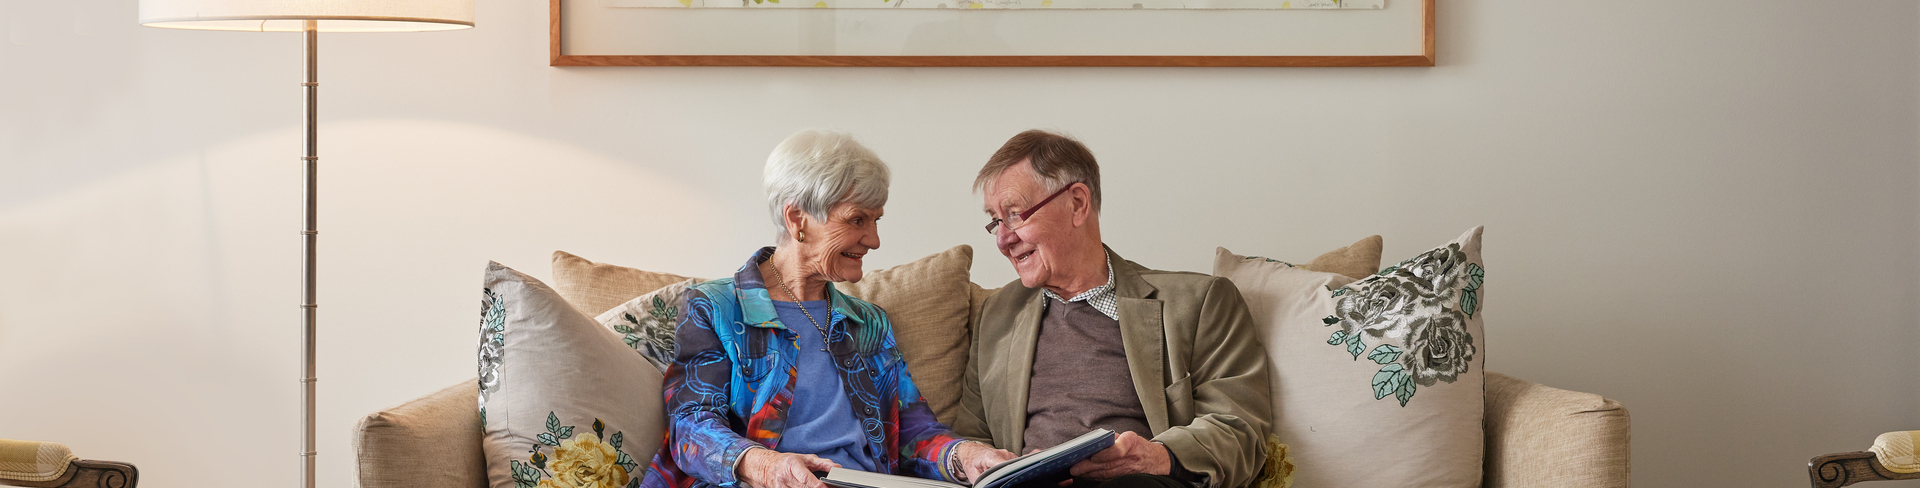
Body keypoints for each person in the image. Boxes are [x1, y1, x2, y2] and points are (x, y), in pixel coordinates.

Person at [644, 130, 1017, 488]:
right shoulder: (716, 308)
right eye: (857, 220)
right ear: (797, 220)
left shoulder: (867, 322)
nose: (873, 239)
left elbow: (911, 429)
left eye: (876, 220)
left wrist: (965, 455)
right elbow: (690, 426)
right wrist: (765, 466)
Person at [953, 130, 1272, 488]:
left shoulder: (1200, 302)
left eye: (1014, 215)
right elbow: (970, 434)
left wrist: (1158, 455)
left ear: (1076, 203)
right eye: (996, 221)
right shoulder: (998, 316)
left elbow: (1238, 427)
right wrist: (980, 459)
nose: (1002, 239)